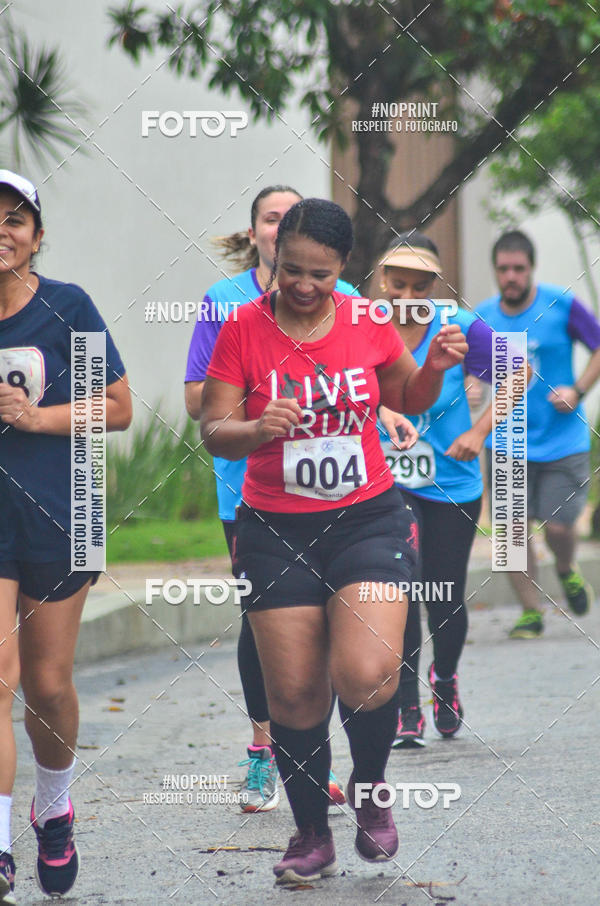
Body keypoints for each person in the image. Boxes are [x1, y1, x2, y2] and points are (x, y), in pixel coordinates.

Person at [200, 198, 467, 883]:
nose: (304, 285)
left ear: (342, 267)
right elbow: (213, 427)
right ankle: (311, 831)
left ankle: (371, 787)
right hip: (274, 526)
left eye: (320, 273)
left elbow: (408, 398)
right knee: (292, 694)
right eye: (292, 269)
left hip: (366, 517)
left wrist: (433, 363)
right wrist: (257, 430)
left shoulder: (369, 321)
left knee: (369, 670)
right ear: (276, 256)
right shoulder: (242, 328)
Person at [185, 186, 353, 812]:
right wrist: (259, 411)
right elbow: (195, 401)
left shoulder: (346, 298)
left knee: (334, 624)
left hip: (337, 493)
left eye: (291, 216)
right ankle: (263, 748)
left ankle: (309, 755)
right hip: (250, 489)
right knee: (267, 623)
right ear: (259, 232)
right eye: (271, 218)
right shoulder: (224, 304)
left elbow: (370, 373)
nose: (282, 227)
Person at [0, 170, 132, 903]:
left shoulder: (66, 309)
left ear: (38, 237)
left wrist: (34, 417)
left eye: (16, 219)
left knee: (47, 686)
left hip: (62, 509)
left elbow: (116, 409)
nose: (3, 230)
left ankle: (55, 805)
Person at [375, 232, 498, 745]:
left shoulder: (461, 326)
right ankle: (406, 706)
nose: (405, 297)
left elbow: (517, 374)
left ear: (435, 283)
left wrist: (477, 431)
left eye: (418, 286)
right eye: (397, 284)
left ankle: (443, 679)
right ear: (383, 280)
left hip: (452, 481)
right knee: (402, 587)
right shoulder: (367, 325)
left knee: (443, 594)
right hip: (387, 481)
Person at [477, 230, 600, 638]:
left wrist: (578, 389)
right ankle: (531, 611)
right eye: (503, 269)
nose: (511, 276)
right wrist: (471, 385)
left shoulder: (560, 304)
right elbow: (465, 368)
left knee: (559, 526)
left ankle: (565, 568)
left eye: (519, 269)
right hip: (507, 441)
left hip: (562, 441)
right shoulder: (483, 318)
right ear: (495, 271)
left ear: (531, 269)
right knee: (512, 533)